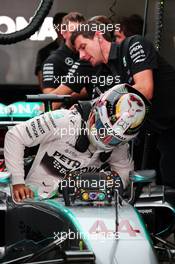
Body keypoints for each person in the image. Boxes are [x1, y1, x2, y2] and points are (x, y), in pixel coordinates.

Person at [70, 21, 175, 188]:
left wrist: (96, 104)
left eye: (83, 46)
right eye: (78, 51)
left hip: (170, 125)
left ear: (98, 35)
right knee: (140, 184)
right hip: (152, 132)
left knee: (170, 174)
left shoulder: (133, 44)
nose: (82, 55)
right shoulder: (103, 72)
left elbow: (145, 90)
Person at [4, 84, 149, 202]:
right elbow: (15, 136)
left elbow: (124, 172)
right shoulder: (63, 120)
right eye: (104, 130)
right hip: (35, 197)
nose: (107, 139)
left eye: (115, 138)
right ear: (96, 112)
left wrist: (105, 185)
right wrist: (18, 182)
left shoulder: (120, 146)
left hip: (82, 203)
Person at [41, 12, 86, 95]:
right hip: (67, 107)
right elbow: (48, 97)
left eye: (81, 32)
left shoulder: (91, 56)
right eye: (73, 32)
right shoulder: (53, 61)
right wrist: (86, 91)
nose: (78, 36)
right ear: (63, 33)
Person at [35, 12, 67, 87]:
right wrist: (49, 95)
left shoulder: (79, 50)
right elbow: (41, 78)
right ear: (55, 26)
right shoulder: (44, 52)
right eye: (61, 25)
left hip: (76, 94)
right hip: (52, 93)